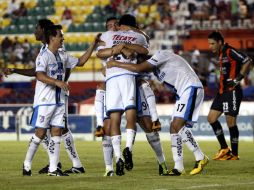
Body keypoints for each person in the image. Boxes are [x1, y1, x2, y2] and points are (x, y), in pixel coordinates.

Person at [3, 19, 101, 175]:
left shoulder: (60, 53)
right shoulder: (44, 54)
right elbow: (39, 74)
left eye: (37, 28)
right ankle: (27, 165)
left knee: (57, 131)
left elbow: (79, 62)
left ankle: (54, 168)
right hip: (45, 100)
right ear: (52, 36)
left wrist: (93, 45)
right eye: (60, 36)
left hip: (59, 99)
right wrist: (58, 82)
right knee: (41, 133)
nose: (63, 38)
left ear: (43, 30)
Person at [107, 49, 209, 176]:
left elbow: (138, 68)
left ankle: (200, 157)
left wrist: (116, 64)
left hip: (190, 87)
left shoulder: (161, 54)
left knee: (177, 126)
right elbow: (140, 71)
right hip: (183, 92)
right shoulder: (155, 71)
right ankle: (178, 167)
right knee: (173, 128)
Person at [95, 16, 167, 176]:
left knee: (146, 126)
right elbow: (100, 55)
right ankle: (110, 166)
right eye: (110, 25)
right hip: (115, 81)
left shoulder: (135, 36)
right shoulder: (106, 38)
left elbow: (143, 49)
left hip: (133, 80)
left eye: (116, 24)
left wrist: (124, 45)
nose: (113, 27)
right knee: (110, 125)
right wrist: (119, 49)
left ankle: (161, 162)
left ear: (122, 25)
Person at [207, 31, 252, 160]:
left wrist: (238, 79)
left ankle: (234, 154)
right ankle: (224, 149)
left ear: (220, 42)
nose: (210, 46)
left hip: (232, 91)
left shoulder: (229, 51)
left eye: (212, 43)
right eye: (209, 44)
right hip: (221, 92)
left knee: (230, 122)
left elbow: (247, 60)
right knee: (211, 118)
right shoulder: (221, 54)